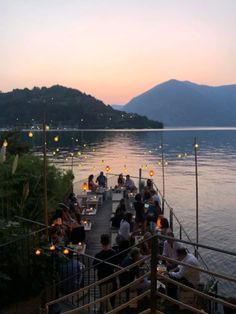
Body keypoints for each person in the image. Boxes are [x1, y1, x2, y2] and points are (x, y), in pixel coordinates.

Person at [93, 234, 117, 312]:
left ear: (101, 242)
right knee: (105, 299)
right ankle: (101, 310)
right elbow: (116, 265)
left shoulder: (98, 256)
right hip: (112, 279)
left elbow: (94, 267)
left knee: (105, 300)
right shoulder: (114, 253)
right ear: (109, 242)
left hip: (102, 280)